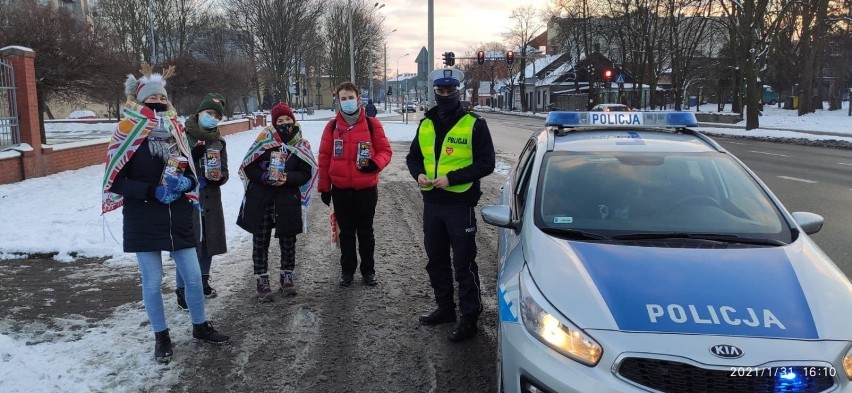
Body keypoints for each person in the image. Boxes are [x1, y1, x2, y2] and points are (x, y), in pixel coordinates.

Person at [101, 63, 230, 364]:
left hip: (178, 214)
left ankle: (200, 326)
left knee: (194, 277)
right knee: (152, 281)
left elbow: (192, 171)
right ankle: (162, 336)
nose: (158, 105)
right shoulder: (124, 133)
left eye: (162, 100)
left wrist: (187, 182)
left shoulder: (176, 132)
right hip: (143, 217)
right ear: (139, 101)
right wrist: (150, 191)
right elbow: (115, 180)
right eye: (151, 100)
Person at [405, 68, 495, 343]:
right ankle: (445, 308)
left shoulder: (474, 124)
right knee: (436, 259)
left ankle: (470, 318)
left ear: (458, 91)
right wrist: (418, 174)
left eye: (450, 91)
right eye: (440, 91)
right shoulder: (426, 124)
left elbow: (486, 163)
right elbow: (413, 157)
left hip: (460, 204)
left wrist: (451, 178)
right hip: (432, 203)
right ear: (434, 92)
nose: (445, 95)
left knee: (463, 263)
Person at [237, 103, 317, 302]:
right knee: (260, 241)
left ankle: (287, 276)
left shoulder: (302, 145)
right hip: (262, 198)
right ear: (274, 124)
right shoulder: (263, 141)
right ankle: (261, 279)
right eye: (279, 121)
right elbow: (249, 166)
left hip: (287, 199)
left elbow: (306, 173)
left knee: (288, 240)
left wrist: (287, 178)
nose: (284, 124)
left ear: (293, 120)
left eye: (287, 120)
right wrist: (264, 176)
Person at [317, 82, 393, 287]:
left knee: (366, 232)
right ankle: (347, 271)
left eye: (351, 97)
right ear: (338, 101)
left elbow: (386, 151)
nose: (348, 102)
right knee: (347, 233)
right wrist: (324, 187)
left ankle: (368, 270)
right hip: (341, 190)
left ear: (358, 99)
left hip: (366, 189)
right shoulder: (332, 127)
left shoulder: (372, 124)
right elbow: (324, 157)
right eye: (343, 98)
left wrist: (374, 164)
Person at [174, 93, 229, 310]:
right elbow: (173, 168)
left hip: (210, 199)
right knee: (187, 244)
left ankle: (203, 281)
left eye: (216, 115)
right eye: (209, 113)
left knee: (208, 242)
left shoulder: (218, 141)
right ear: (199, 113)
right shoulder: (181, 136)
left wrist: (219, 178)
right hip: (186, 199)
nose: (212, 118)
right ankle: (182, 288)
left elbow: (224, 170)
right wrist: (194, 157)